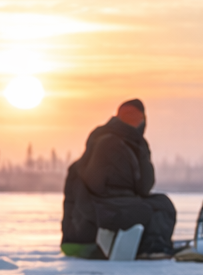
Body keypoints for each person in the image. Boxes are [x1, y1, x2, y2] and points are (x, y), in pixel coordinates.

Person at [61, 99, 177, 258]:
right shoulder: (108, 142)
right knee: (150, 209)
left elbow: (144, 187)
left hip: (97, 216)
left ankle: (151, 245)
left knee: (162, 204)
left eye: (136, 117)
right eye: (127, 116)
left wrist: (142, 152)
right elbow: (97, 186)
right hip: (88, 227)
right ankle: (150, 247)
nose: (132, 121)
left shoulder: (132, 144)